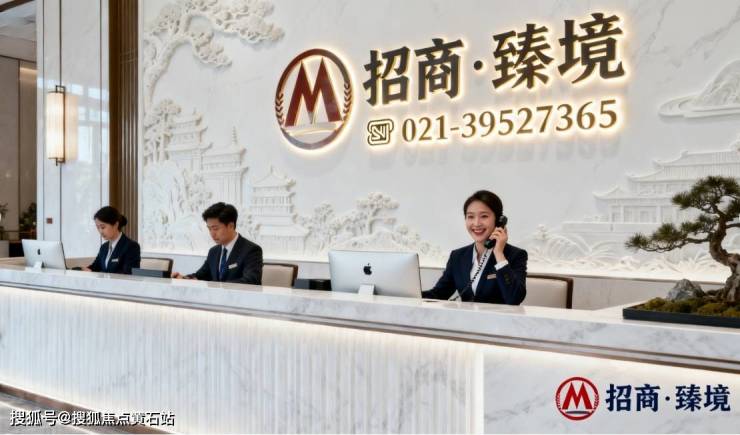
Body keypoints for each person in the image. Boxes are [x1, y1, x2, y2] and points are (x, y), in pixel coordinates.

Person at [423, 190, 527, 304]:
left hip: (498, 316)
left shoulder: (515, 255)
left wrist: (499, 254)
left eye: (484, 216)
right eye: (470, 216)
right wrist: (412, 294)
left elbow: (514, 299)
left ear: (498, 221)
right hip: (464, 316)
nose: (476, 223)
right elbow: (438, 294)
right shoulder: (457, 256)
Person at [172, 202, 263, 284]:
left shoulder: (251, 250)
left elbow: (251, 280)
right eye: (209, 229)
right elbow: (200, 275)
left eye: (215, 228)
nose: (212, 233)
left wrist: (218, 286)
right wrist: (184, 278)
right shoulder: (214, 251)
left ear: (231, 226)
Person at [84, 206, 141, 274]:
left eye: (103, 227)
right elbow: (95, 267)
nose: (100, 231)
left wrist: (104, 275)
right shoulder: (104, 247)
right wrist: (80, 270)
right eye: (98, 228)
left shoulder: (131, 246)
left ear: (116, 225)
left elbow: (128, 273)